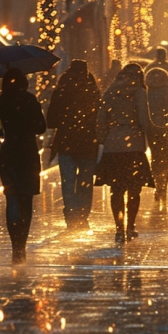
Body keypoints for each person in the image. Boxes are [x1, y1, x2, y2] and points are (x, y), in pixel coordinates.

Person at [95, 63, 155, 243]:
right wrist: (152, 137)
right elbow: (144, 120)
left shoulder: (111, 91)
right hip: (134, 146)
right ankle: (130, 226)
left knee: (116, 189)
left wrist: (104, 137)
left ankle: (119, 228)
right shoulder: (138, 92)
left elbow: (100, 118)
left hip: (113, 147)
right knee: (134, 189)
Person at [0, 68, 47, 263]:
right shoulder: (29, 99)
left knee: (11, 197)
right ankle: (21, 246)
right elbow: (41, 126)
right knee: (26, 199)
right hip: (27, 152)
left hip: (9, 151)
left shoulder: (2, 100)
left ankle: (14, 244)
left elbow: (8, 123)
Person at [46, 60, 101, 230]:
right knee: (85, 182)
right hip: (87, 143)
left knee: (68, 182)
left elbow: (51, 121)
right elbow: (99, 118)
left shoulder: (61, 92)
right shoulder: (93, 91)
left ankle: (71, 215)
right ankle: (82, 216)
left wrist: (66, 121)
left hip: (66, 143)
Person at [145, 67, 168, 206]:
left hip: (151, 128)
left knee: (155, 158)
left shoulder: (146, 91)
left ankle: (157, 184)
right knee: (165, 159)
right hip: (165, 127)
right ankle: (163, 187)